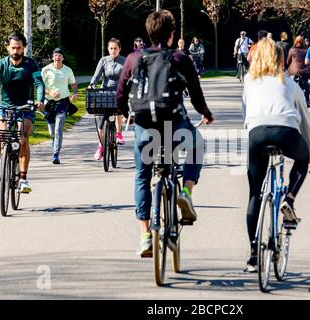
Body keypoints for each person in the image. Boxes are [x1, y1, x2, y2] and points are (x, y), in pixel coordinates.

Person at [116, 10, 215, 257]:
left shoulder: (132, 59)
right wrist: (206, 114)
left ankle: (145, 236)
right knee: (197, 145)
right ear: (171, 36)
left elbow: (120, 94)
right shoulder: (180, 58)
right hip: (174, 126)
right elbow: (195, 94)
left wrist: (124, 112)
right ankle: (186, 193)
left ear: (148, 33)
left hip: (144, 128)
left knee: (142, 176)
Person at [242, 38, 310, 272]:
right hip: (286, 133)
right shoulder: (289, 83)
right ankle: (289, 199)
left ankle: (254, 255)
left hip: (257, 134)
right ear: (279, 60)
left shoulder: (248, 81)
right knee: (302, 158)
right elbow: (305, 122)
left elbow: (247, 113)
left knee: (254, 195)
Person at [0, 32, 45, 193]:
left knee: (23, 138)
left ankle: (23, 179)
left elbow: (39, 84)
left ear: (24, 48)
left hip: (25, 107)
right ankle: (1, 160)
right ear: (8, 47)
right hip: (5, 106)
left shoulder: (31, 64)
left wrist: (40, 100)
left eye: (19, 48)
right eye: (13, 48)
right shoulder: (1, 64)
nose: (15, 51)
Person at [88, 38, 126, 160]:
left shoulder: (124, 61)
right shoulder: (104, 60)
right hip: (105, 91)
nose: (113, 50)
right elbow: (97, 75)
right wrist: (91, 84)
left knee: (118, 109)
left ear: (119, 49)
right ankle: (101, 145)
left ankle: (119, 133)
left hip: (119, 91)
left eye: (115, 48)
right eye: (111, 48)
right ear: (108, 49)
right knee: (101, 121)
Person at [41, 48, 78, 164]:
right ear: (52, 58)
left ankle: (56, 155)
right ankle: (54, 140)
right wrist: (50, 93)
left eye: (59, 56)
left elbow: (73, 83)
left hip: (63, 102)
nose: (57, 57)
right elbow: (40, 86)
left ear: (63, 58)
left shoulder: (68, 70)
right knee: (52, 132)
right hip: (49, 103)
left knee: (58, 130)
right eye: (55, 55)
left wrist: (75, 93)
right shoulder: (46, 70)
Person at [287, 35, 310, 108]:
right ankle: (307, 99)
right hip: (304, 71)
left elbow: (288, 61)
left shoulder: (292, 50)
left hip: (294, 72)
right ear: (303, 42)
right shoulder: (307, 50)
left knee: (292, 86)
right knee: (305, 85)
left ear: (295, 42)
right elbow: (309, 61)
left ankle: (292, 101)